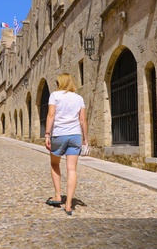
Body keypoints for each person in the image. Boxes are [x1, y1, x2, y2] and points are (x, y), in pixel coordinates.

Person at [44, 73, 88, 215]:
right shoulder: (79, 98)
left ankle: (58, 195)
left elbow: (51, 115)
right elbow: (82, 120)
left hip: (59, 134)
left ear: (60, 83)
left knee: (55, 164)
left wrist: (47, 134)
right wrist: (85, 139)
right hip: (75, 135)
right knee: (72, 169)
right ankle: (68, 204)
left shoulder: (55, 96)